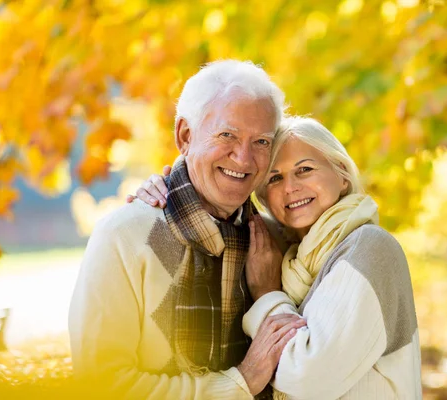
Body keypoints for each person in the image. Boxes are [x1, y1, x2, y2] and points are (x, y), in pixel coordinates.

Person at [68, 60, 307, 400]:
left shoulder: (275, 239)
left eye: (262, 142)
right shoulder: (125, 236)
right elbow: (103, 386)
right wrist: (241, 381)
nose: (243, 158)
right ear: (185, 135)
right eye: (227, 135)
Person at [136, 116, 422, 399]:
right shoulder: (286, 253)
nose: (290, 187)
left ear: (343, 174)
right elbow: (214, 210)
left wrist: (267, 295)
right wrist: (166, 193)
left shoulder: (369, 248)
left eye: (305, 169)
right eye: (274, 178)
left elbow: (305, 379)